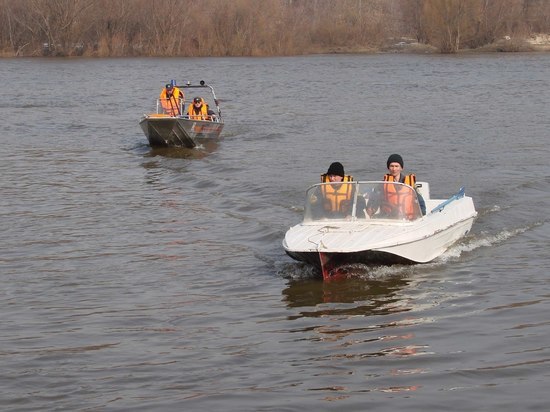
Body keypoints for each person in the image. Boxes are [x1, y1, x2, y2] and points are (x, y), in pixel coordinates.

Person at [365, 154, 426, 219]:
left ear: (401, 168)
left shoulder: (410, 184)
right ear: (388, 168)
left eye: (396, 166)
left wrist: (419, 215)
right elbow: (374, 200)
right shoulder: (382, 184)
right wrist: (371, 208)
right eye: (392, 166)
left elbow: (421, 204)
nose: (394, 169)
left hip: (406, 220)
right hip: (388, 218)